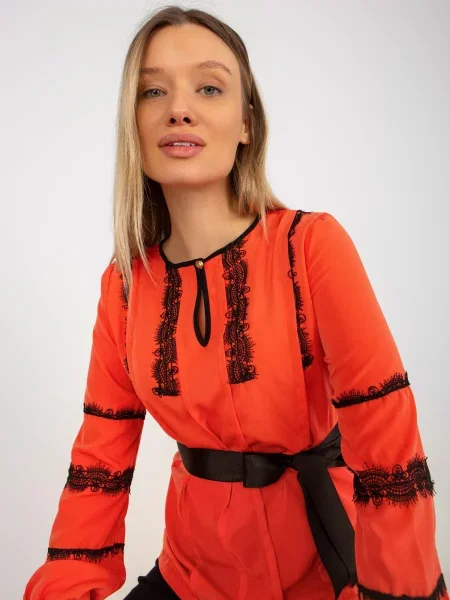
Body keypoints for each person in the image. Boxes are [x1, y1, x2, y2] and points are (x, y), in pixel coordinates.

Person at [23, 6, 448, 600]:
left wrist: (397, 591)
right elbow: (100, 461)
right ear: (133, 124)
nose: (179, 108)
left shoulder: (312, 246)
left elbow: (386, 436)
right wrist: (68, 585)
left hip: (328, 568)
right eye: (152, 90)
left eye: (209, 87)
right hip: (190, 574)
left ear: (246, 122)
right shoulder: (123, 286)